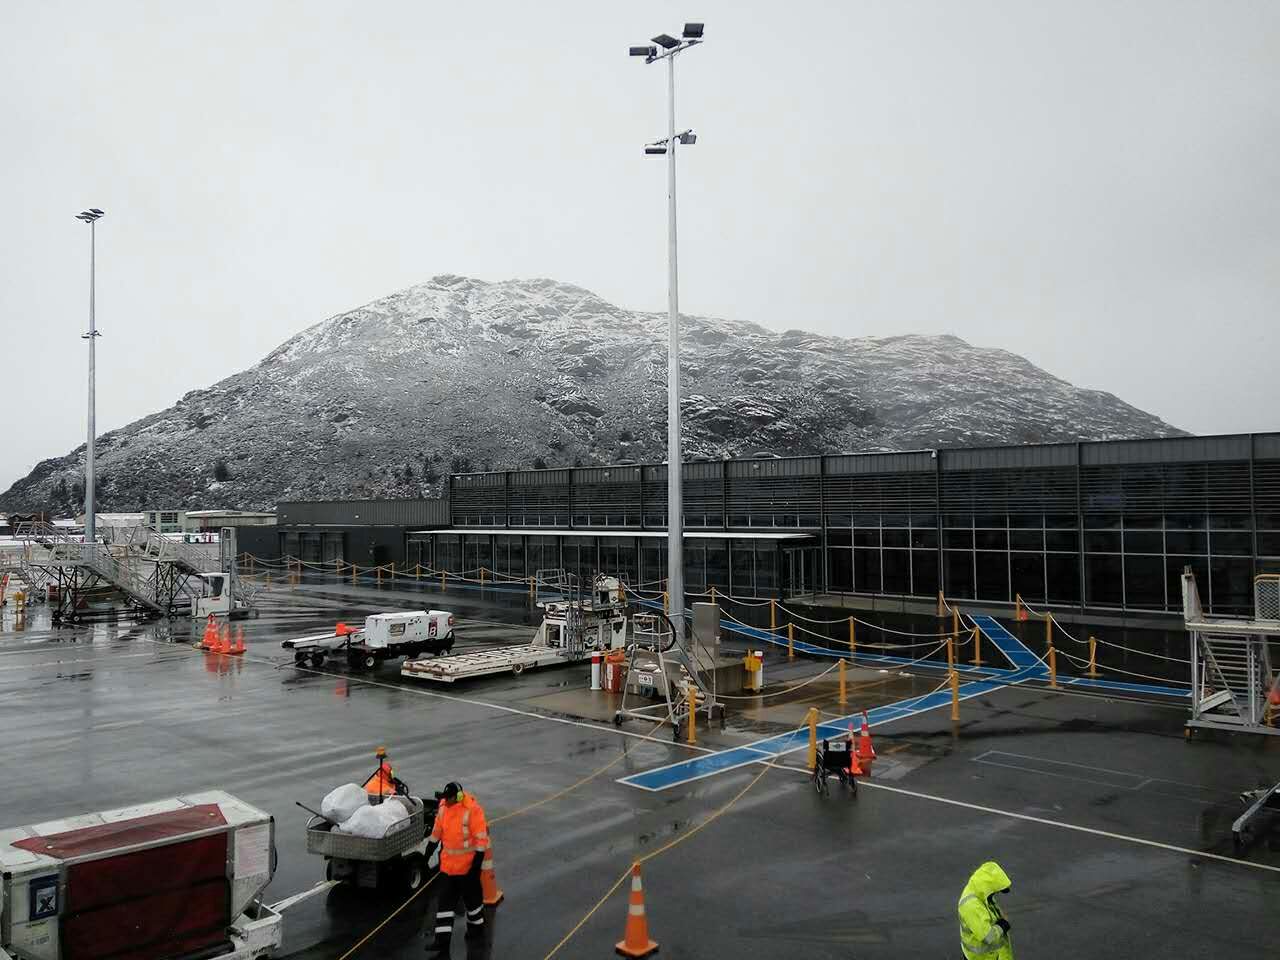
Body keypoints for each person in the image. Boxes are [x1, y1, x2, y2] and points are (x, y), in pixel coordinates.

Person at [425, 782, 489, 959]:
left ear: (458, 797)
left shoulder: (472, 810)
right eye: (446, 799)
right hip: (448, 869)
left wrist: (476, 865)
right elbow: (438, 829)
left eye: (450, 798)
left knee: (473, 903)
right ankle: (441, 940)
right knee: (444, 904)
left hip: (467, 869)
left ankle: (477, 929)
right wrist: (431, 846)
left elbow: (481, 838)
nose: (447, 802)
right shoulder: (444, 807)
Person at [958, 861, 1014, 959]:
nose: (995, 894)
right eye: (995, 891)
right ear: (988, 887)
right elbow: (988, 937)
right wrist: (1002, 925)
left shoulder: (982, 894)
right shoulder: (971, 906)